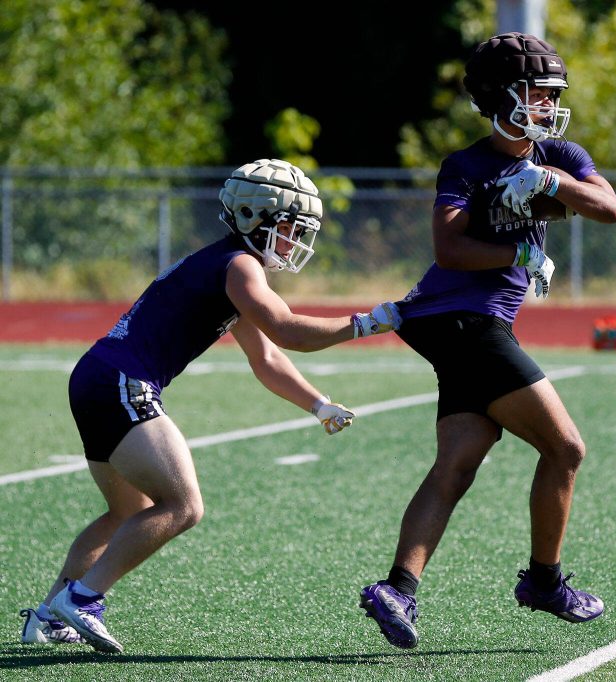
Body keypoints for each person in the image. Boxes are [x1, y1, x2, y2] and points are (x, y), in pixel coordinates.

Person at [19, 159, 401, 653]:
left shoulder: (228, 265)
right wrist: (369, 322)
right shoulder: (240, 266)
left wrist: (318, 404)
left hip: (97, 375)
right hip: (121, 380)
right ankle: (84, 597)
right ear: (257, 220)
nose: (294, 242)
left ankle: (50, 615)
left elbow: (266, 355)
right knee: (183, 505)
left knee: (125, 509)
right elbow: (287, 330)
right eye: (289, 229)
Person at [356, 32, 616, 649]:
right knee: (566, 450)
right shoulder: (467, 165)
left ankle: (398, 587)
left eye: (553, 93)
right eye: (536, 92)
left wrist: (546, 181)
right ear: (499, 97)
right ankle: (545, 581)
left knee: (458, 460)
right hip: (458, 318)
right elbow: (448, 247)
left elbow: (608, 208)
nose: (549, 104)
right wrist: (520, 249)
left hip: (476, 325)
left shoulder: (559, 153)